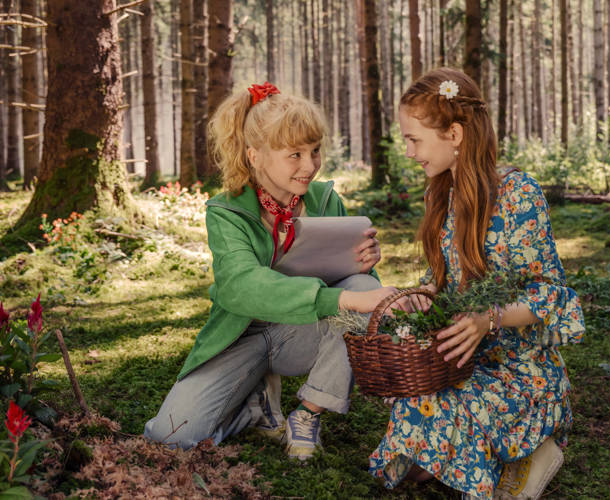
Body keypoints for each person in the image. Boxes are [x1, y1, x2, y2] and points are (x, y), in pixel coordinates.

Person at [144, 82, 399, 461]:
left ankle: (308, 413)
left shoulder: (326, 201)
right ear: (256, 156)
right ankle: (254, 406)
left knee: (361, 285)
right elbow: (241, 287)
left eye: (315, 151)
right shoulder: (227, 211)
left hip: (302, 333)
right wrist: (342, 297)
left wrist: (363, 266)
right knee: (170, 436)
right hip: (240, 337)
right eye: (295, 154)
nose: (310, 166)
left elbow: (360, 293)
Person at [367, 68, 586, 499]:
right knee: (413, 451)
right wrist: (421, 299)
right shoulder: (440, 193)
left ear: (454, 134)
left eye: (414, 140)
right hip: (465, 366)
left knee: (436, 419)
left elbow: (553, 296)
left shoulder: (518, 194)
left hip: (523, 373)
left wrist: (490, 319)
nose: (409, 152)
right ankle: (496, 457)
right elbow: (443, 282)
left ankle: (529, 453)